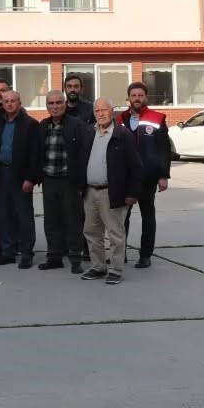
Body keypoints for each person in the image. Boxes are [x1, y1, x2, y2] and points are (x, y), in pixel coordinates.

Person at [79, 98, 143, 285]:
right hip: (90, 191)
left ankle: (115, 269)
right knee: (91, 232)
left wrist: (132, 193)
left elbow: (135, 166)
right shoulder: (88, 133)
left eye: (104, 110)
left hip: (112, 192)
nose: (100, 114)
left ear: (112, 111)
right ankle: (98, 266)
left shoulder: (122, 134)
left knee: (115, 233)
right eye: (97, 111)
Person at [118, 81, 171, 269]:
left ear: (145, 97)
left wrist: (163, 175)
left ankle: (145, 255)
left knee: (148, 216)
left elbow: (164, 149)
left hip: (148, 176)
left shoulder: (156, 118)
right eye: (134, 95)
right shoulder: (120, 119)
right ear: (128, 98)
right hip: (126, 177)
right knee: (121, 218)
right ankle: (120, 254)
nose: (137, 98)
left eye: (140, 95)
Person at [0, 90, 41, 268]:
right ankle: (8, 252)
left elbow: (34, 154)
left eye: (13, 101)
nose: (9, 104)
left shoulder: (30, 124)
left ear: (20, 102)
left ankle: (26, 253)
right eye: (6, 101)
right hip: (1, 173)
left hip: (20, 176)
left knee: (23, 216)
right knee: (4, 215)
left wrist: (30, 178)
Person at [36, 90, 88, 274]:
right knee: (51, 221)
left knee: (73, 221)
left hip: (69, 181)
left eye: (59, 102)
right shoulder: (43, 125)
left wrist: (81, 183)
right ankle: (54, 257)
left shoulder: (77, 125)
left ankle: (75, 259)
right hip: (49, 180)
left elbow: (83, 154)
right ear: (47, 106)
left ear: (65, 104)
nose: (55, 106)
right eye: (51, 103)